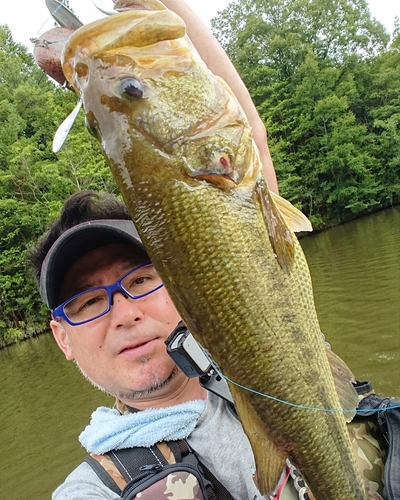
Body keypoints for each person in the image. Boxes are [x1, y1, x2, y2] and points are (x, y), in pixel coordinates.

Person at [31, 191, 390, 500]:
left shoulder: (274, 355)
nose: (124, 313)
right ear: (63, 338)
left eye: (140, 279)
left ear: (182, 284)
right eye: (89, 302)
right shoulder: (94, 490)